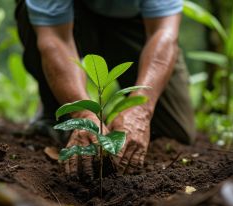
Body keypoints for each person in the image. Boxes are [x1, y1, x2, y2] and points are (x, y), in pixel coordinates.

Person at [15, 0, 195, 179]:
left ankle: (119, 126)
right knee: (29, 12)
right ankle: (54, 112)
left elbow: (164, 32)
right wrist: (83, 114)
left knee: (176, 130)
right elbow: (55, 38)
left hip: (134, 21)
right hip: (70, 17)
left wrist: (141, 109)